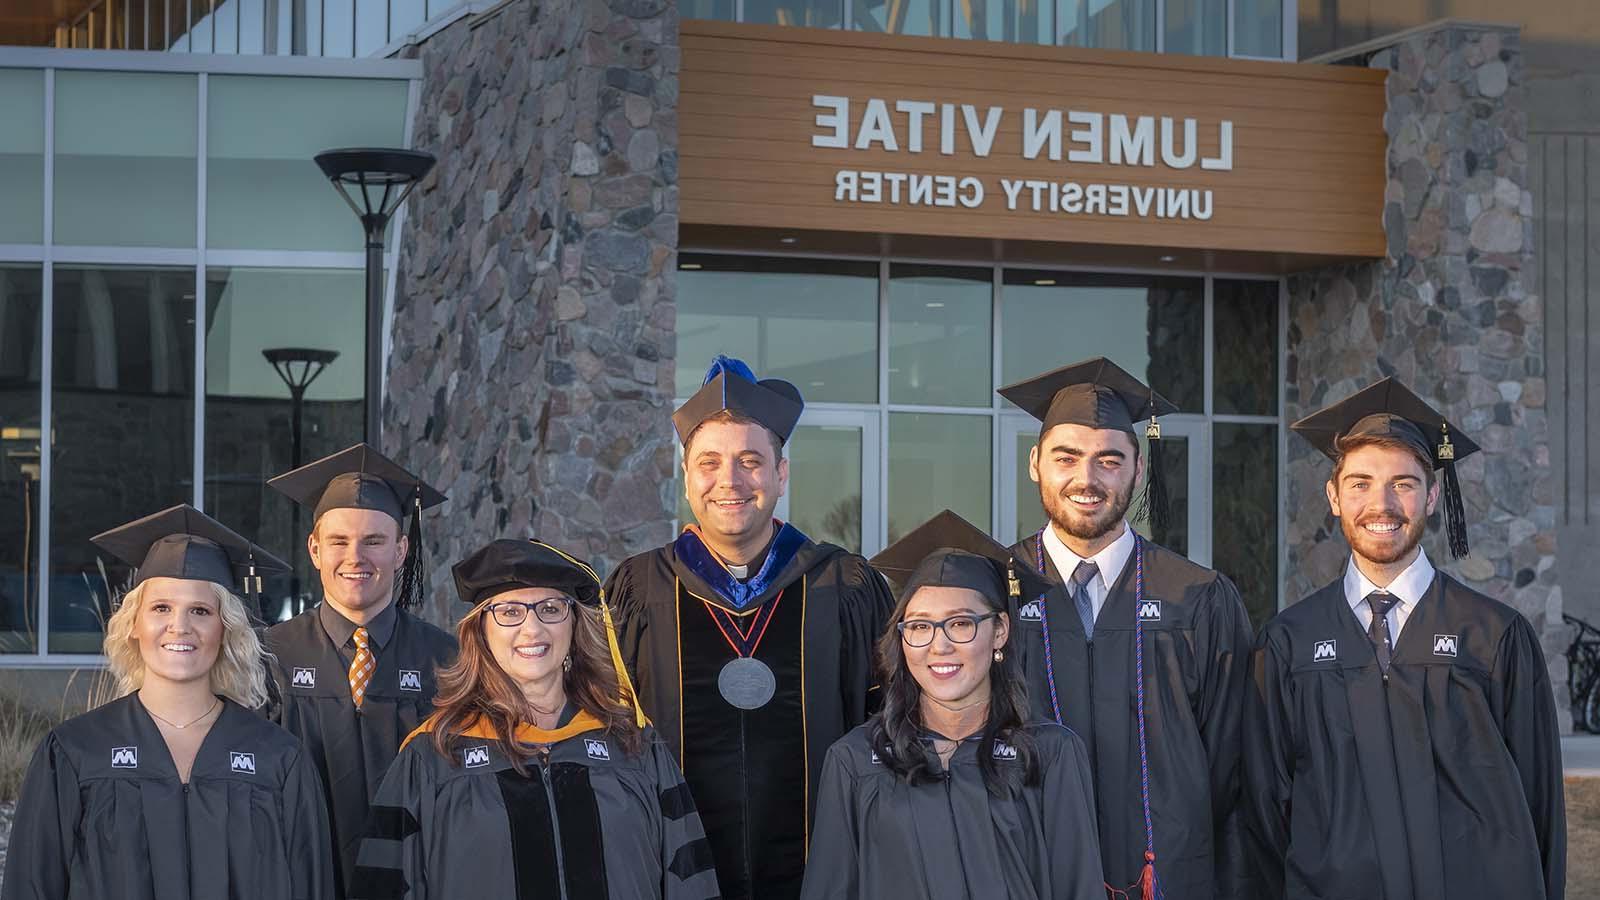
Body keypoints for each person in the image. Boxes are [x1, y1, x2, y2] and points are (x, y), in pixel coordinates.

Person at [1244, 377, 1565, 900]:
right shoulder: (1289, 643)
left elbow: (1541, 805)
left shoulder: (1493, 636)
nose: (1382, 504)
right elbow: (1265, 809)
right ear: (1333, 496)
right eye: (1361, 483)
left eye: (1404, 484)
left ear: (1433, 495)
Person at [607, 355, 895, 900]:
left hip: (824, 875)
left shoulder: (846, 587)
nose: (729, 481)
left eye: (750, 461)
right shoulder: (638, 590)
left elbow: (885, 730)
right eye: (709, 462)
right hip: (666, 875)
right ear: (687, 478)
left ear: (781, 474)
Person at [999, 356, 1254, 900]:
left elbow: (1232, 766)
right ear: (1035, 464)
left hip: (1166, 880)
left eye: (1108, 460)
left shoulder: (1199, 598)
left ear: (1138, 470)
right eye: (1066, 458)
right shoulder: (992, 591)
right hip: (1025, 875)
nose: (1086, 479)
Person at [349, 538, 720, 900]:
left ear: (574, 625)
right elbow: (385, 885)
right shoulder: (434, 756)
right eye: (509, 611)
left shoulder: (633, 745)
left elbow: (689, 879)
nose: (533, 629)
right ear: (481, 630)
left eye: (551, 609)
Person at [2, 505, 332, 900]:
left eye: (201, 611)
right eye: (161, 608)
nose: (180, 626)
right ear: (134, 625)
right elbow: (31, 888)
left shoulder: (278, 759)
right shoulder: (75, 753)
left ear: (225, 630)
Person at [802, 510, 1104, 900]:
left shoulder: (1050, 754)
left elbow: (1078, 888)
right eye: (920, 626)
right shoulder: (857, 759)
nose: (938, 645)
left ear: (999, 632)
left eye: (960, 623)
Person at [261, 443, 457, 897]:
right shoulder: (268, 656)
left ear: (401, 550)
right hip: (297, 879)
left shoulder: (446, 659)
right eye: (339, 541)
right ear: (314, 549)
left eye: (374, 540)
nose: (356, 557)